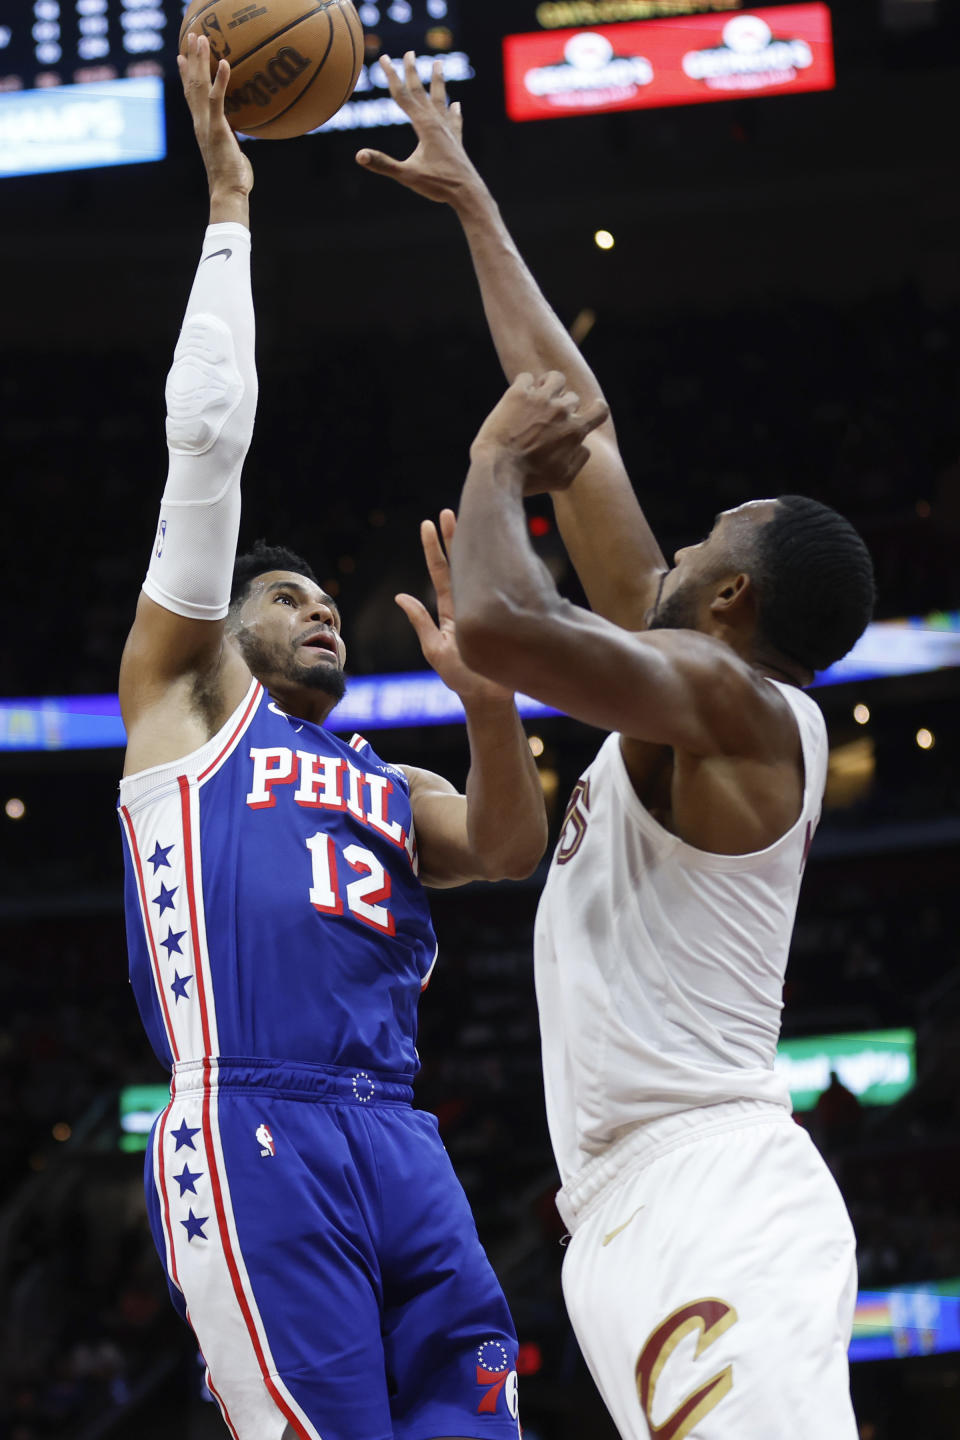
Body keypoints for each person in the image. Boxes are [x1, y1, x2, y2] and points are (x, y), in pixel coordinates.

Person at [359, 56, 876, 1440]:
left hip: (706, 1190)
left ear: (733, 600)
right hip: (632, 1209)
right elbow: (580, 431)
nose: (681, 533)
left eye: (711, 531)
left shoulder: (737, 712)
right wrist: (476, 204)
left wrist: (486, 463)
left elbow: (509, 619)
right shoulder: (696, 675)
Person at [117, 37, 545, 1440]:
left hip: (398, 1132)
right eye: (283, 597)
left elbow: (504, 844)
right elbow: (206, 452)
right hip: (256, 1127)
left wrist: (487, 696)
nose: (318, 612)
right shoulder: (184, 711)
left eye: (325, 601)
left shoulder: (385, 780)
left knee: (478, 1412)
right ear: (226, 627)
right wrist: (230, 205)